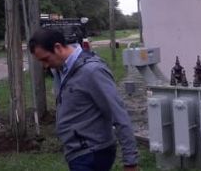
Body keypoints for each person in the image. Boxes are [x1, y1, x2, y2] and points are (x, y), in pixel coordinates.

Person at [28, 28, 139, 171]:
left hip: (93, 152)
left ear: (58, 47)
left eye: (45, 59)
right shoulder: (60, 70)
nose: (45, 66)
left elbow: (119, 114)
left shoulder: (92, 71)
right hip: (77, 152)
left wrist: (130, 162)